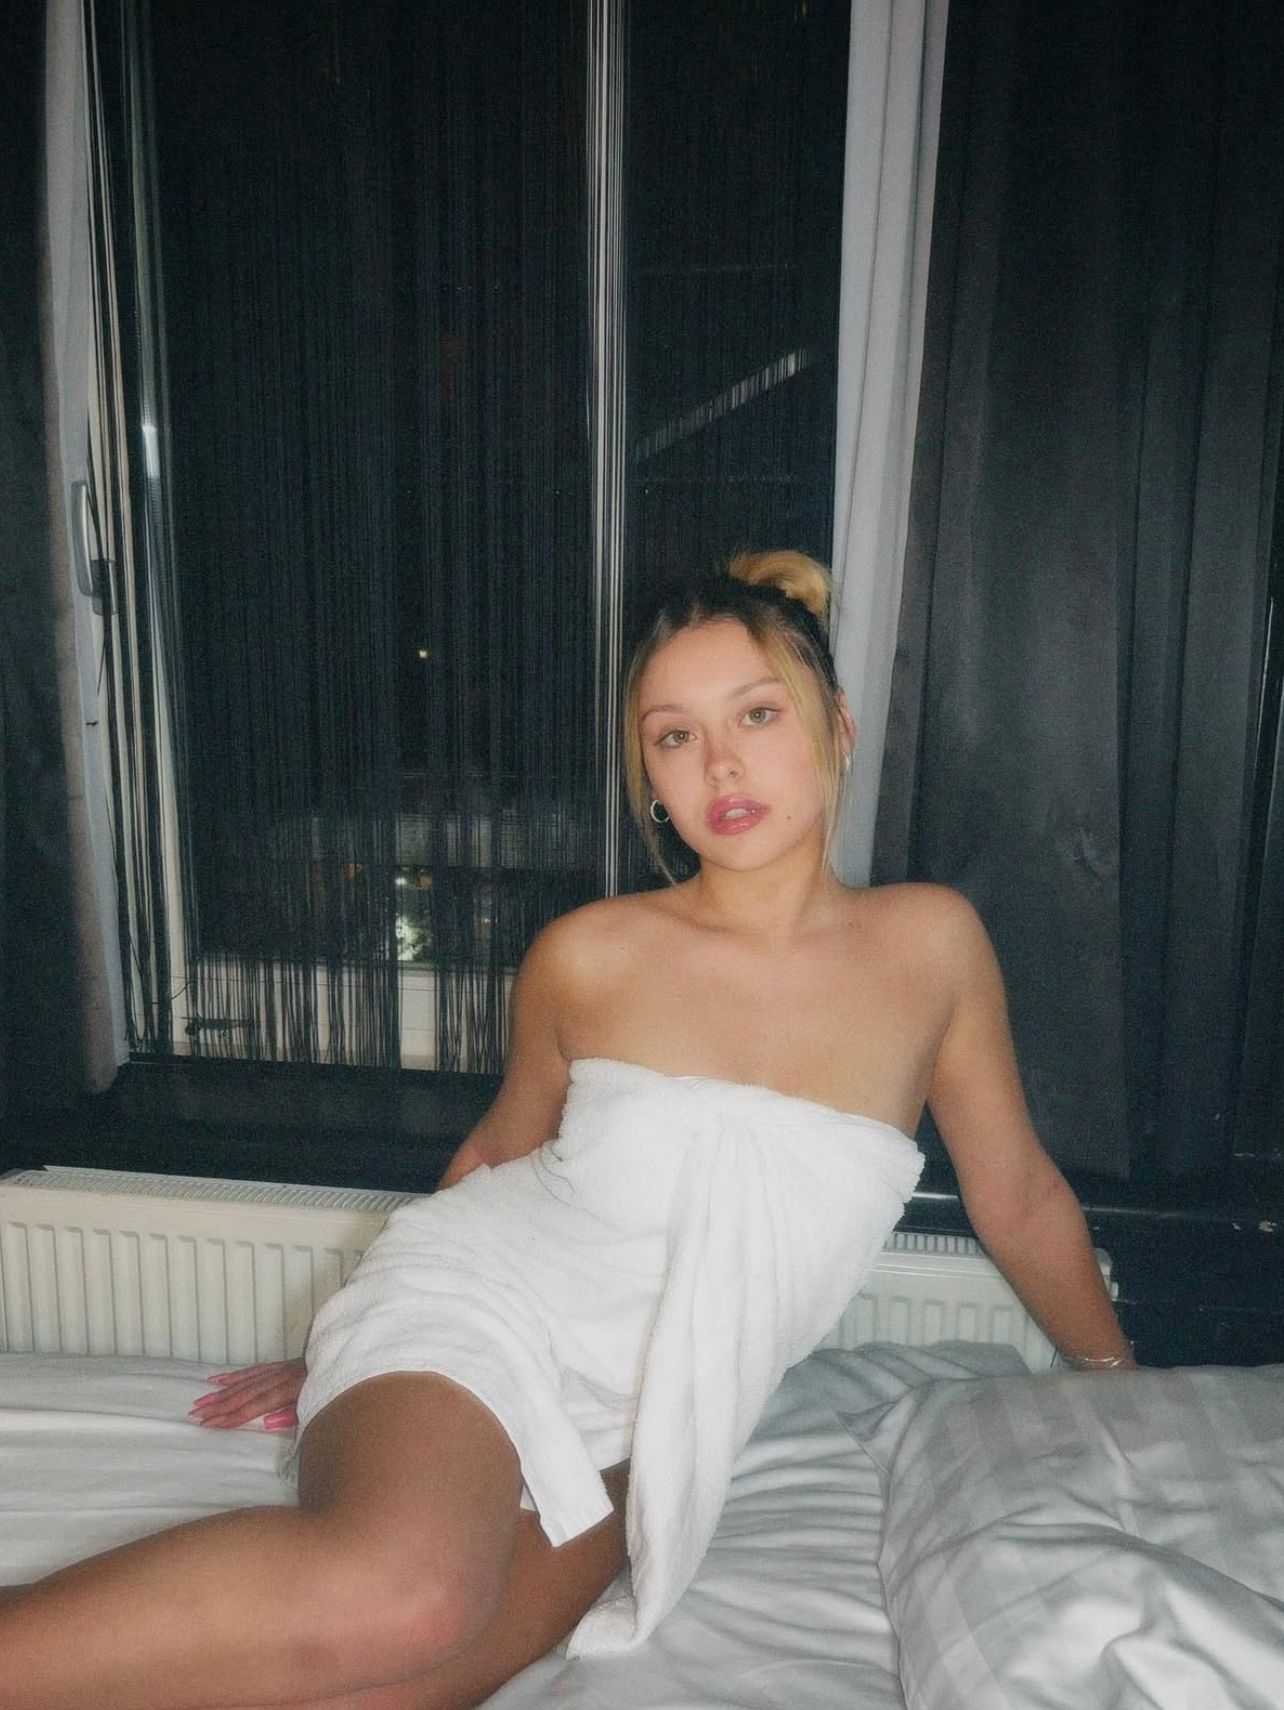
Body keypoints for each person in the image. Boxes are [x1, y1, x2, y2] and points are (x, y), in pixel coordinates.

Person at [0, 551, 1133, 1710]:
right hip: (477, 1313)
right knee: (408, 1599)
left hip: (655, 1424)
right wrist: (367, 1361)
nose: (721, 763)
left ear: (837, 726)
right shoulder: (590, 954)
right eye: (675, 736)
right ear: (650, 777)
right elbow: (498, 1154)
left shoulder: (931, 946)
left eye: (757, 715)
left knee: (396, 1690)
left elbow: (1018, 1195)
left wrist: (1116, 1382)